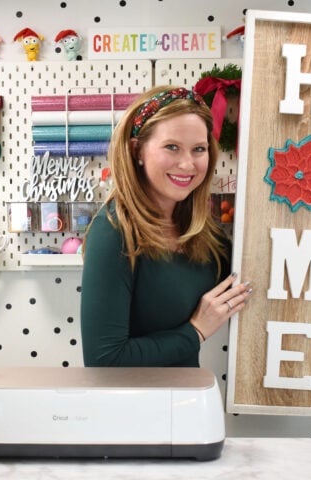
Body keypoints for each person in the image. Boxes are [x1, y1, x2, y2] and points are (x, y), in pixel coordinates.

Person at [80, 86, 253, 367]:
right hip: (136, 409)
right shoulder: (114, 230)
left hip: (189, 402)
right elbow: (105, 361)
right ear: (137, 150)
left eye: (199, 149)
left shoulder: (202, 232)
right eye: (172, 147)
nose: (187, 164)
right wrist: (196, 331)